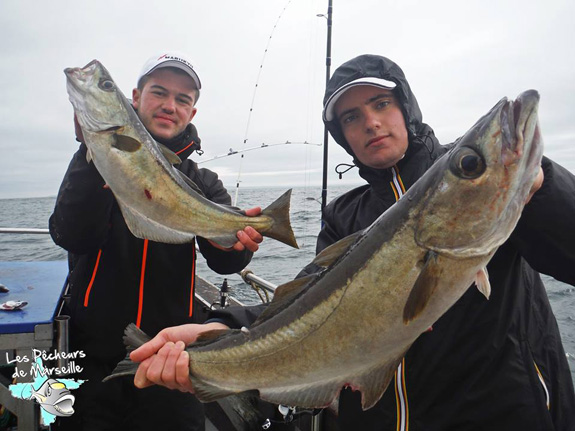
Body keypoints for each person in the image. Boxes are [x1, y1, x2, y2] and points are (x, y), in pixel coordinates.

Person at [127, 54, 575, 430]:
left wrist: (542, 185)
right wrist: (224, 329)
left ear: (405, 107)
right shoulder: (344, 215)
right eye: (351, 117)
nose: (371, 123)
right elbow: (303, 303)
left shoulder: (501, 197)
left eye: (381, 103)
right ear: (341, 135)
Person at [49, 52, 263, 431]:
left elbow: (225, 262)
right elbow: (69, 234)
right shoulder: (94, 159)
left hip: (172, 357)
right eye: (159, 92)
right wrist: (92, 158)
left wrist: (236, 245)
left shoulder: (204, 182)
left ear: (192, 113)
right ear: (135, 98)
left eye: (183, 99)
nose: (170, 106)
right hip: (90, 355)